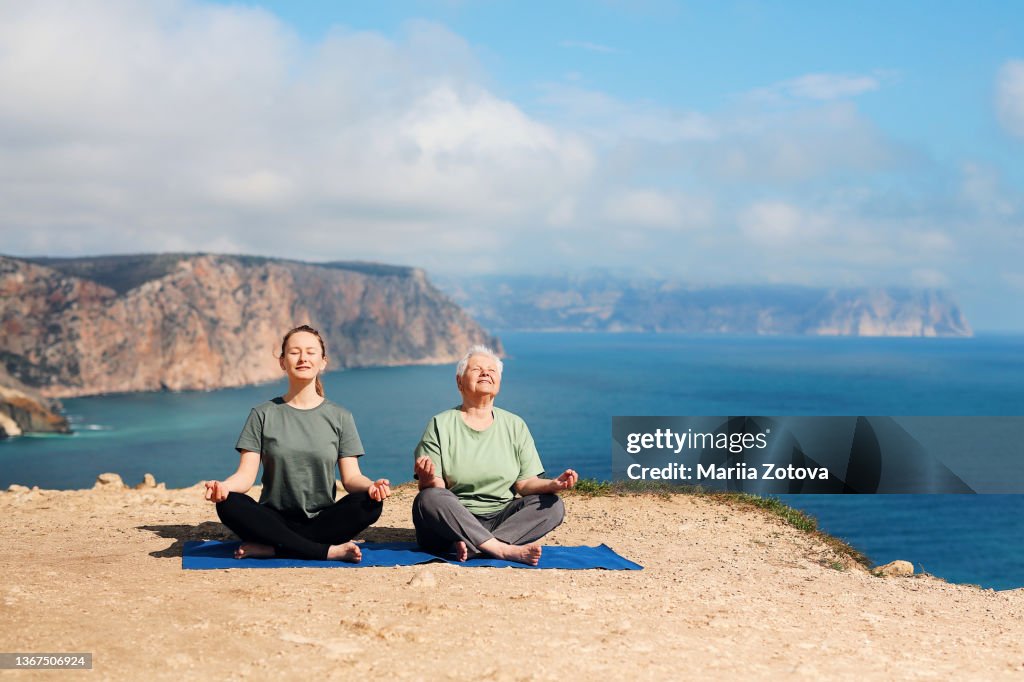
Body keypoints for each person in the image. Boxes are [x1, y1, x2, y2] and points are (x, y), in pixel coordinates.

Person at [204, 324, 390, 562]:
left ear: (323, 361)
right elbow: (245, 476)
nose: (303, 358)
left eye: (311, 352)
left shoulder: (340, 416)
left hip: (323, 519)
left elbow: (351, 478)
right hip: (272, 518)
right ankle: (325, 551)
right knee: (229, 504)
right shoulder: (262, 414)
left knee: (370, 504)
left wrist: (372, 487)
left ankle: (274, 548)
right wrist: (224, 488)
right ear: (282, 362)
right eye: (294, 352)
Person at [412, 344, 578, 565]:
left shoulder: (515, 425)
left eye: (492, 370)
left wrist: (553, 485)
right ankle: (500, 549)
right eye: (477, 369)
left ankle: (479, 546)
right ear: (459, 382)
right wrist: (427, 478)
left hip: (500, 519)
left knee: (552, 505)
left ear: (498, 382)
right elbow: (437, 491)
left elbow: (525, 484)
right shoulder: (440, 424)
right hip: (453, 523)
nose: (485, 373)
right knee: (428, 498)